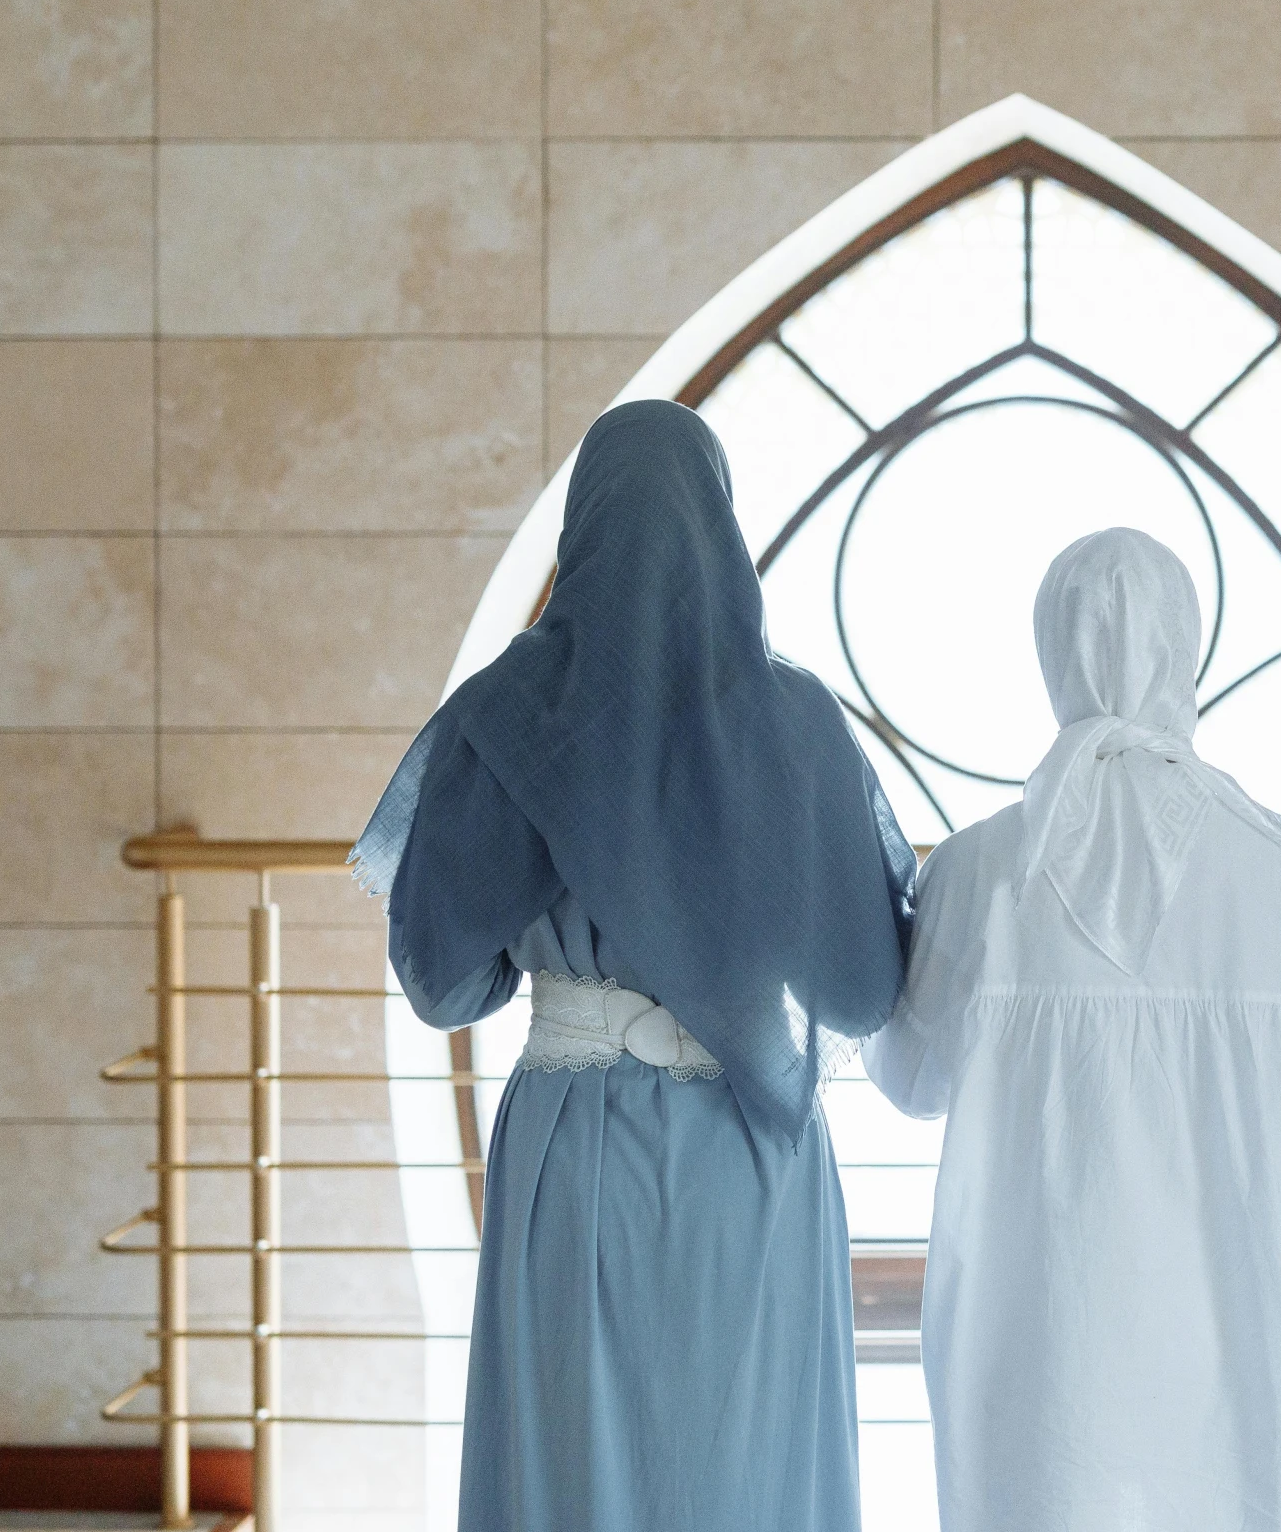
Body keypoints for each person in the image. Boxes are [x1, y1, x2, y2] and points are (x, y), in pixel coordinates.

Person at [351, 400, 915, 1532]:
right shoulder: (796, 722)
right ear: (721, 526)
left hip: (574, 1143)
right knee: (750, 1464)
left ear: (582, 531)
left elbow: (444, 984)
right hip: (752, 1155)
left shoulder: (508, 717)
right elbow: (864, 985)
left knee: (575, 1469)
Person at [868, 528, 1281, 1532]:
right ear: (1185, 645)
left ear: (1050, 650)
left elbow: (909, 1071)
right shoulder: (1274, 866)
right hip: (1222, 1335)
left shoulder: (978, 870)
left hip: (1029, 1350)